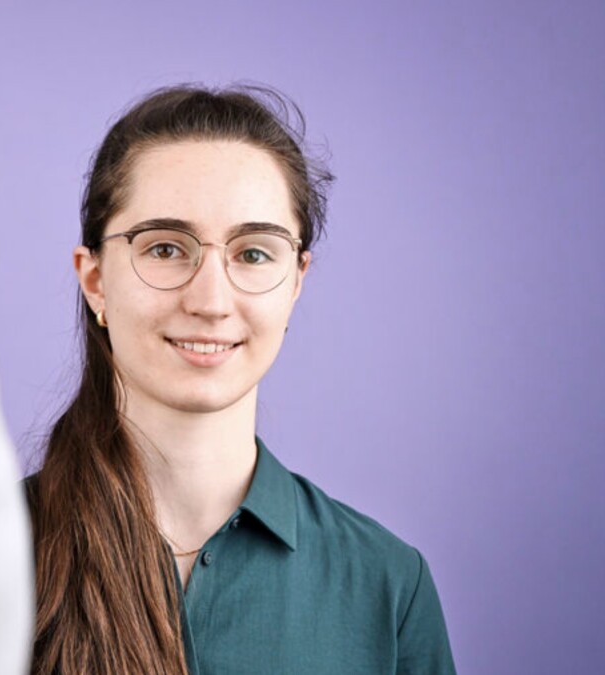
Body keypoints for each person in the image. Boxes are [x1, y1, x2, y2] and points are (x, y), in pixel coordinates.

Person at [24, 85, 456, 675]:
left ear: (296, 282)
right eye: (166, 248)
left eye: (254, 254)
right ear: (95, 279)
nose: (211, 300)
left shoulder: (387, 584)